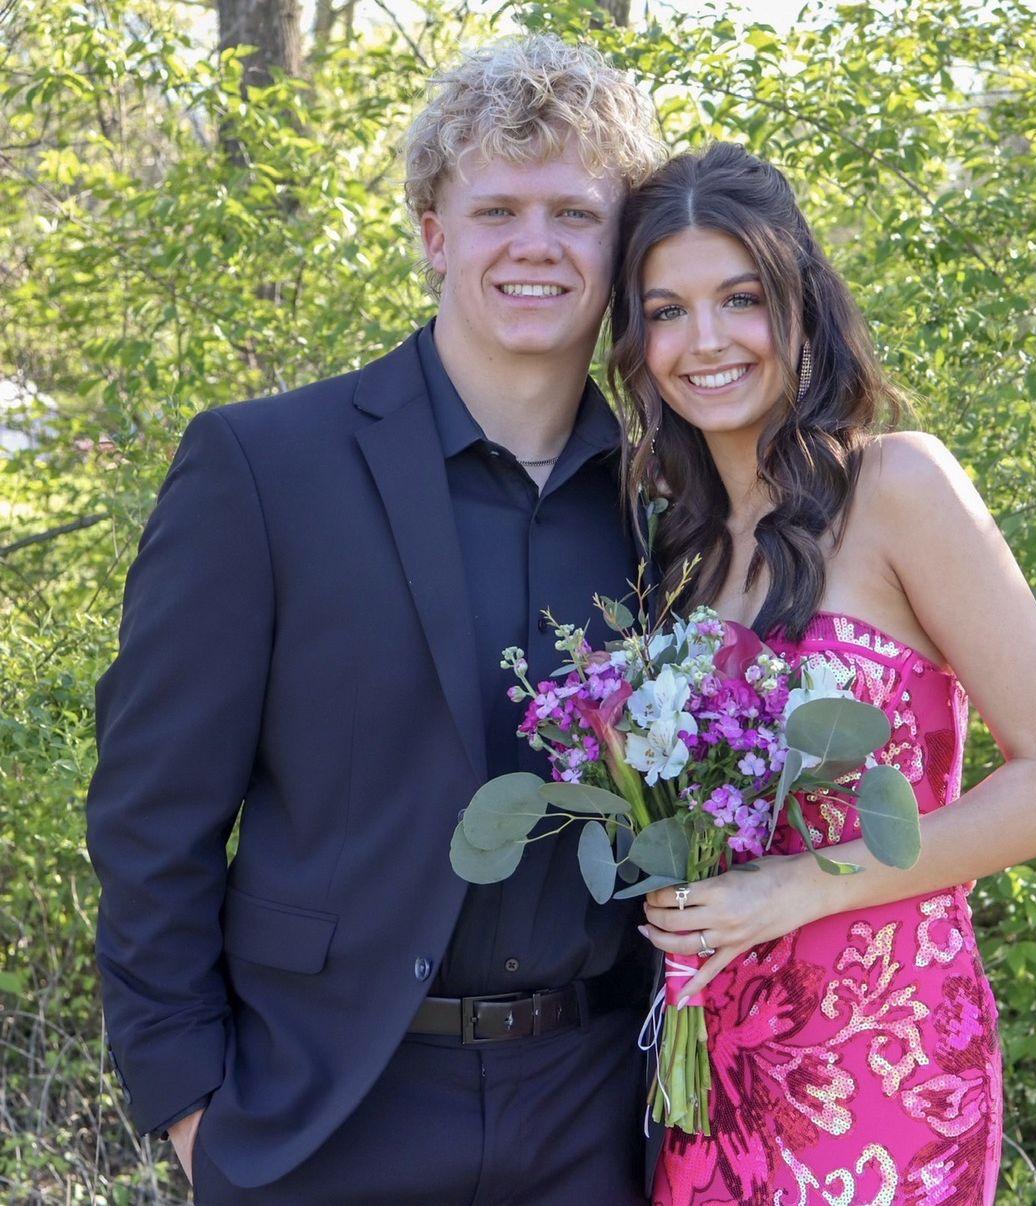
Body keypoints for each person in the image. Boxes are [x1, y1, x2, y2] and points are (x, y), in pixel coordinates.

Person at [85, 36, 666, 1203]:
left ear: (620, 249)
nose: (536, 245)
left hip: (599, 1113)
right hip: (324, 1110)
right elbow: (153, 817)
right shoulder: (263, 468)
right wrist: (192, 1107)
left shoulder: (672, 501)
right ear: (433, 231)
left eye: (575, 212)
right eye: (496, 206)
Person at [608, 142, 1036, 1205]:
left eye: (738, 297)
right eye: (665, 310)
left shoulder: (898, 487)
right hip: (713, 1068)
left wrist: (798, 887)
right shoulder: (677, 547)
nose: (703, 342)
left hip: (881, 1062)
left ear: (800, 301)